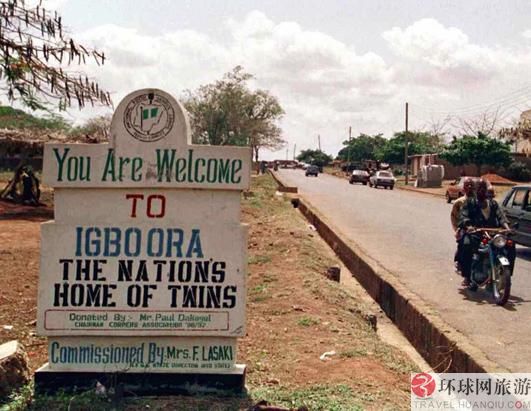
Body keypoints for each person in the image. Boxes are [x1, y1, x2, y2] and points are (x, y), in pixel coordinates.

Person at [458, 180, 512, 286]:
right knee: (466, 245)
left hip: (492, 233)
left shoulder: (493, 203)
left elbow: (501, 216)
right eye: (479, 188)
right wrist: (468, 226)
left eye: (483, 188)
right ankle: (467, 276)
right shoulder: (470, 202)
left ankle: (506, 275)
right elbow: (464, 216)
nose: (481, 190)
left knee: (510, 245)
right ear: (476, 189)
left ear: (486, 190)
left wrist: (507, 227)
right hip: (475, 233)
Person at [450, 178, 475, 280]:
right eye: (467, 185)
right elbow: (454, 217)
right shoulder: (459, 202)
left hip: (479, 229)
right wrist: (457, 230)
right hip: (465, 229)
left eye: (471, 185)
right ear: (463, 188)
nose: (469, 187)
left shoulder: (478, 201)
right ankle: (464, 272)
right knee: (465, 246)